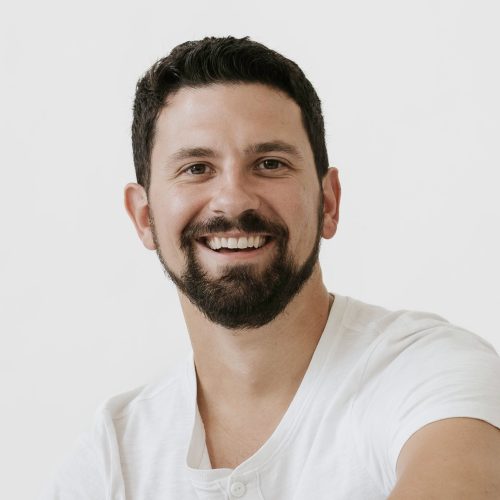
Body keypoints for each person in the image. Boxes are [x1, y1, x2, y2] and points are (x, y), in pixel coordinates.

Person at [42, 36, 500, 499]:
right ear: (144, 217)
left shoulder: (430, 373)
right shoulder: (113, 456)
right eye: (197, 168)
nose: (233, 200)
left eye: (269, 163)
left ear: (328, 203)